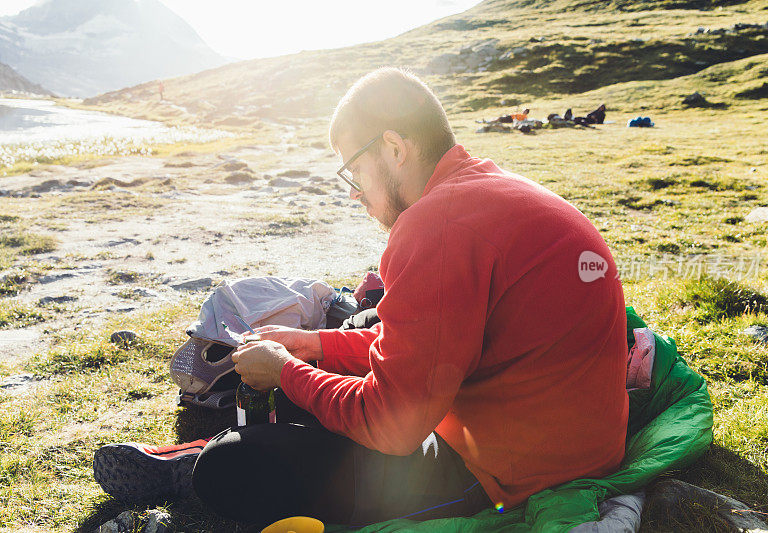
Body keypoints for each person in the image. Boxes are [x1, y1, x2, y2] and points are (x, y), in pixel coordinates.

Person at [93, 67, 629, 527]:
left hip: (511, 475)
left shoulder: (434, 225)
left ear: (394, 149)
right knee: (357, 334)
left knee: (234, 465)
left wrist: (286, 371)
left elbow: (392, 426)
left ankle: (191, 469)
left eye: (353, 170)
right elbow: (438, 339)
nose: (354, 193)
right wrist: (314, 344)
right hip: (572, 440)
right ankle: (246, 429)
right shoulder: (488, 191)